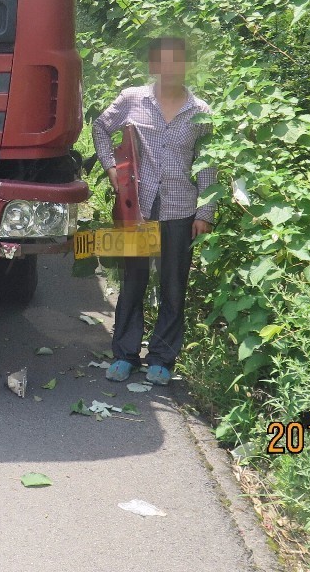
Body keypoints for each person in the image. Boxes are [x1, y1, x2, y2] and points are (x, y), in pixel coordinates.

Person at [91, 36, 217, 386]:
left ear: (186, 65)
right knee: (134, 281)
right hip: (138, 208)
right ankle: (125, 354)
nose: (170, 68)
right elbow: (101, 127)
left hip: (180, 210)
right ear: (153, 66)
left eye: (177, 61)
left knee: (173, 285)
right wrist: (112, 169)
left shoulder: (200, 112)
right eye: (163, 61)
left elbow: (207, 165)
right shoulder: (133, 99)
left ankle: (162, 358)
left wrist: (206, 212)